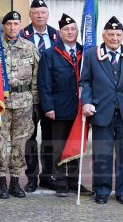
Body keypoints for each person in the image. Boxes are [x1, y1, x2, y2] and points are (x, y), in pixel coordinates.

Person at [80, 16, 123, 205]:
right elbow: (86, 81)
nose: (115, 38)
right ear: (103, 35)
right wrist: (86, 102)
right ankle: (102, 191)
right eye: (111, 34)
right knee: (102, 154)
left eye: (118, 34)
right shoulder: (91, 54)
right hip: (101, 110)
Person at [37, 13, 92, 197]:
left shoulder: (86, 52)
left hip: (79, 109)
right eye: (66, 29)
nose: (70, 32)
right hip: (59, 109)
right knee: (59, 148)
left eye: (73, 29)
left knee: (76, 146)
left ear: (78, 31)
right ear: (59, 32)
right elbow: (44, 84)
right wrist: (48, 107)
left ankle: (74, 181)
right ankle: (60, 181)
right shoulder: (50, 54)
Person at [0, 11, 39, 199]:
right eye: (9, 23)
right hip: (1, 104)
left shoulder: (29, 47)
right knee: (0, 144)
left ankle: (15, 181)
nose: (12, 27)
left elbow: (36, 77)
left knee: (19, 144)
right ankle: (1, 183)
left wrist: (36, 103)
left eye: (16, 23)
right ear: (4, 26)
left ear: (20, 25)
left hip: (24, 103)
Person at [20, 0, 59, 192]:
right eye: (36, 13)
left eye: (43, 12)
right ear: (30, 15)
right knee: (30, 138)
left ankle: (47, 175)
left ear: (48, 15)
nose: (40, 16)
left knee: (50, 137)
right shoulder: (21, 35)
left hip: (51, 96)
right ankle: (32, 177)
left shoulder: (57, 36)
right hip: (28, 97)